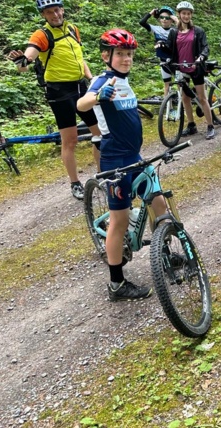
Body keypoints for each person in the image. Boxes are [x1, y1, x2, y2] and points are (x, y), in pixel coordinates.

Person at [77, 29, 166, 301]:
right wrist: (98, 96)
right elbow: (82, 104)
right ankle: (116, 283)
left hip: (135, 156)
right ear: (107, 56)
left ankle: (164, 253)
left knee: (159, 203)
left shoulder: (125, 81)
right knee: (120, 219)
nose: (126, 59)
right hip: (115, 160)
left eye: (129, 54)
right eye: (120, 54)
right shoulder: (105, 81)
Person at [6, 0, 102, 200]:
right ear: (43, 15)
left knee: (99, 133)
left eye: (57, 10)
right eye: (49, 12)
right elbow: (29, 58)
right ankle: (75, 183)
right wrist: (22, 62)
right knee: (70, 140)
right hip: (59, 92)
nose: (55, 14)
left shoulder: (72, 29)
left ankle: (103, 173)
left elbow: (80, 58)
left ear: (63, 9)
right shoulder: (41, 35)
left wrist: (92, 78)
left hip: (81, 87)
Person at [165, 1, 216, 140]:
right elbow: (169, 48)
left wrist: (201, 57)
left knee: (202, 98)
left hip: (196, 68)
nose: (186, 16)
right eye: (183, 13)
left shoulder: (198, 31)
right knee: (185, 98)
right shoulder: (174, 32)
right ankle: (191, 124)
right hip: (181, 68)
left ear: (191, 15)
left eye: (188, 14)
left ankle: (210, 126)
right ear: (179, 15)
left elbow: (205, 47)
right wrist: (161, 47)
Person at [138, 6, 175, 97]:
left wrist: (176, 19)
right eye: (162, 17)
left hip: (175, 61)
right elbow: (142, 22)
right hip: (163, 61)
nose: (164, 20)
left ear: (171, 20)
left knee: (180, 84)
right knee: (167, 85)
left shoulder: (175, 31)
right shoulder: (156, 29)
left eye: (167, 18)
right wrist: (151, 13)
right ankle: (168, 107)